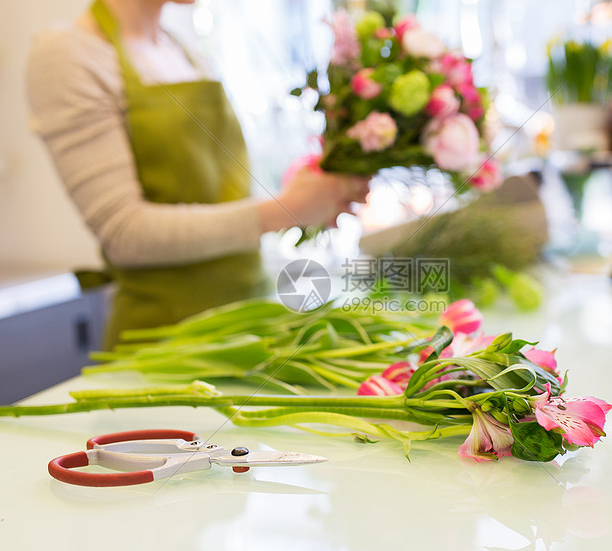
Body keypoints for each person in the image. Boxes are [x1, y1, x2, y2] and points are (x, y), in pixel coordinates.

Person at [27, 0, 369, 348]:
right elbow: (124, 233)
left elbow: (217, 195)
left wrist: (309, 199)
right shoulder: (68, 54)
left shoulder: (181, 49)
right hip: (166, 346)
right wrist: (283, 210)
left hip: (252, 324)